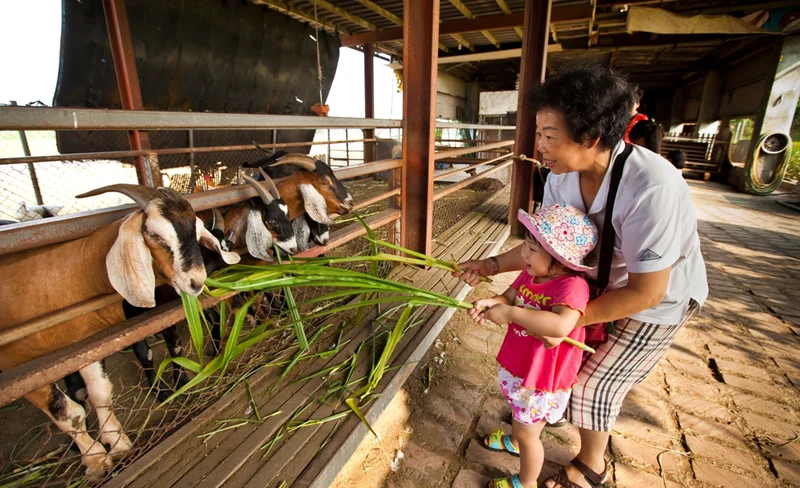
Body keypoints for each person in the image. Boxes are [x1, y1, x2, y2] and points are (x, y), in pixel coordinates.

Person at [455, 64, 708, 488]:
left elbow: (648, 289)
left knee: (592, 385)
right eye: (539, 134)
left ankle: (592, 466)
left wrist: (559, 319)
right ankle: (530, 431)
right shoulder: (559, 175)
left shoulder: (652, 187)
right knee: (563, 371)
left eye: (550, 136)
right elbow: (546, 248)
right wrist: (492, 266)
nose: (539, 146)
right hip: (594, 286)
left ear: (591, 137)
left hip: (655, 300)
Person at [472, 204, 598, 488]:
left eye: (532, 248)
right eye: (526, 245)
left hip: (541, 379)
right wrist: (492, 303)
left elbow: (559, 326)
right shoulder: (530, 273)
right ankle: (515, 440)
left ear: (558, 257)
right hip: (521, 365)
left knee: (531, 434)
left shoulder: (571, 287)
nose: (524, 254)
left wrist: (511, 314)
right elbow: (508, 298)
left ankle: (526, 481)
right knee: (521, 417)